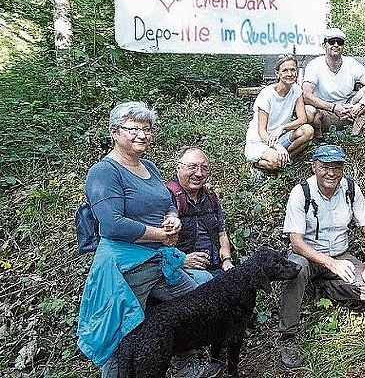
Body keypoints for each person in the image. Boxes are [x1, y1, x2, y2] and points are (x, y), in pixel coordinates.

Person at [77, 102, 219, 378]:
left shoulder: (149, 167)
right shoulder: (104, 173)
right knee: (122, 332)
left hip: (159, 262)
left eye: (146, 129)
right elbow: (112, 224)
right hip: (126, 267)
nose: (142, 135)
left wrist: (172, 218)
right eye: (133, 129)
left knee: (190, 303)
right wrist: (161, 235)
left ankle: (181, 365)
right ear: (114, 132)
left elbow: (166, 202)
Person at [276, 144, 365, 368]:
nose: (331, 173)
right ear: (315, 166)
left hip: (340, 254)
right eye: (325, 167)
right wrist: (329, 263)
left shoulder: (350, 189)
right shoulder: (301, 192)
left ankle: (323, 287)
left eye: (336, 167)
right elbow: (296, 243)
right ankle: (287, 335)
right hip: (309, 255)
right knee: (294, 270)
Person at [167, 146, 235, 285]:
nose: (199, 173)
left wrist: (227, 260)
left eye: (204, 168)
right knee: (206, 283)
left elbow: (222, 234)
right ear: (178, 167)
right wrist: (182, 259)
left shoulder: (211, 197)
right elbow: (156, 242)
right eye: (192, 167)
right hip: (182, 267)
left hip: (215, 265)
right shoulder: (166, 196)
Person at [302, 28, 365, 137]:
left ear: (343, 46)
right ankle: (319, 139)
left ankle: (354, 135)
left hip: (349, 111)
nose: (336, 45)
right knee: (309, 111)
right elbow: (306, 95)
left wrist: (358, 106)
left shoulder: (351, 63)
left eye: (340, 42)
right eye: (331, 41)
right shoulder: (314, 65)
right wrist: (334, 108)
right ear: (324, 45)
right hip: (324, 112)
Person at [244, 54, 314, 171]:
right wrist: (277, 147)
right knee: (275, 161)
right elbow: (262, 131)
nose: (290, 74)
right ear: (277, 73)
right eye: (285, 70)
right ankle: (257, 165)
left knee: (308, 130)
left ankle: (286, 159)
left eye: (293, 70)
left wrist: (282, 127)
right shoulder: (267, 94)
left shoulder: (296, 90)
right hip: (260, 141)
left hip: (279, 137)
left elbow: (303, 119)